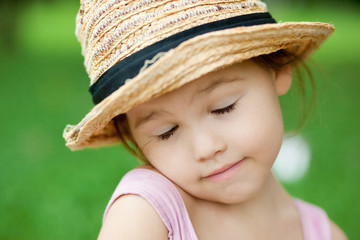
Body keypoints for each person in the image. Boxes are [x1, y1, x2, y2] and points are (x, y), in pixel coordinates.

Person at [63, 0, 347, 239]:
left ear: (278, 68)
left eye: (223, 108)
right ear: (132, 134)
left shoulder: (323, 233)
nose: (205, 148)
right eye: (166, 132)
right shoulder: (145, 212)